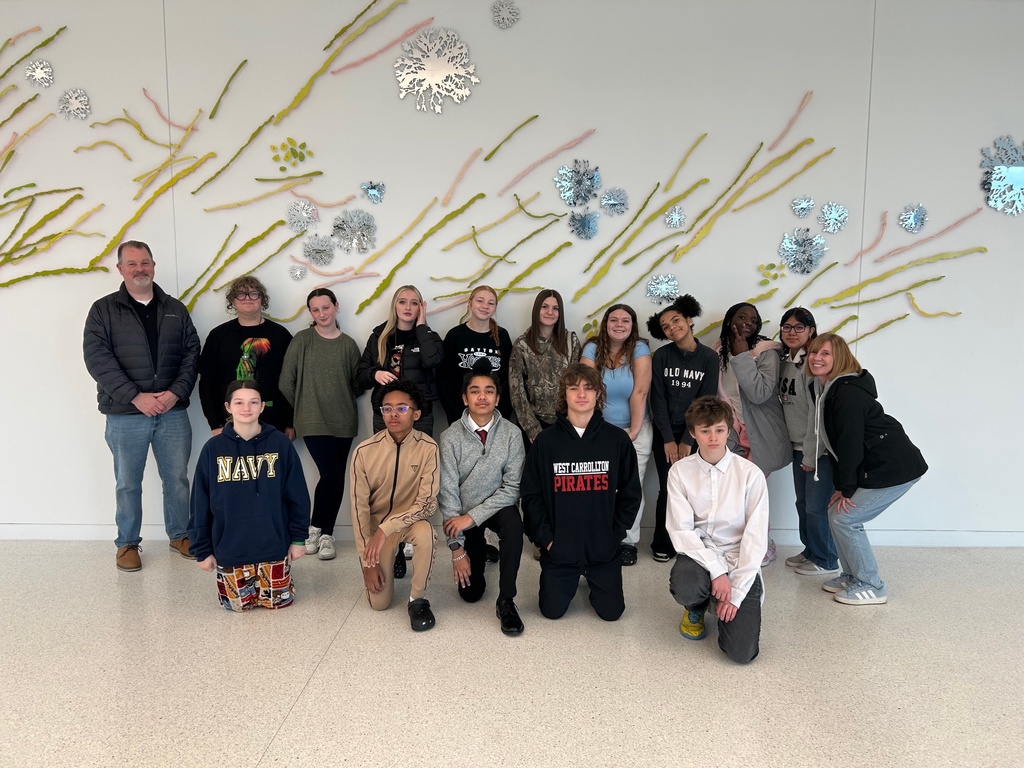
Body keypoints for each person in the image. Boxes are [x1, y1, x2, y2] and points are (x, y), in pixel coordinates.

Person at [83, 240, 200, 572]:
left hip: (172, 411)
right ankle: (127, 544)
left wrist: (175, 393)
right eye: (132, 263)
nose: (140, 269)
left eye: (145, 262)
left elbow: (192, 353)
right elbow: (97, 359)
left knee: (177, 477)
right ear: (120, 269)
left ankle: (180, 535)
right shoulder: (103, 310)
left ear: (154, 265)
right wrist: (135, 396)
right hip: (126, 413)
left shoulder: (175, 308)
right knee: (127, 481)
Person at [807, 333, 928, 605]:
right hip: (877, 465)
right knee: (835, 512)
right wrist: (842, 487)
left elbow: (850, 444)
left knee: (846, 518)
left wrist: (847, 489)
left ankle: (872, 585)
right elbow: (837, 445)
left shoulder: (846, 392)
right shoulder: (828, 389)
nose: (817, 358)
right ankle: (851, 575)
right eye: (814, 353)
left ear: (840, 358)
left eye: (825, 353)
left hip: (895, 467)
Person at [521, 364, 641, 621]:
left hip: (602, 548)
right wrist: (547, 539)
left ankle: (593, 577)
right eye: (573, 388)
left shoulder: (617, 440)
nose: (581, 394)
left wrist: (614, 535)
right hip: (560, 548)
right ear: (564, 395)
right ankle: (569, 575)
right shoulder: (546, 442)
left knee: (612, 614)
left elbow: (631, 493)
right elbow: (531, 495)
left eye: (588, 388)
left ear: (599, 394)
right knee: (551, 612)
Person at [187, 381, 310, 611]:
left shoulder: (280, 444)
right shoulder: (212, 449)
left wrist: (298, 538)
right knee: (238, 608)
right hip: (230, 550)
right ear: (228, 407)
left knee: (277, 605)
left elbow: (297, 494)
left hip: (273, 548)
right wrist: (202, 550)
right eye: (239, 402)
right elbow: (200, 503)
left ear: (262, 406)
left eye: (253, 402)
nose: (247, 408)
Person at [666, 396, 769, 664]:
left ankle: (723, 603)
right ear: (693, 433)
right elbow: (681, 531)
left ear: (729, 429)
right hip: (700, 554)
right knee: (686, 584)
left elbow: (755, 540)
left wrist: (734, 592)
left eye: (720, 430)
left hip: (740, 559)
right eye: (705, 430)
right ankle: (697, 606)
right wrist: (717, 572)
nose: (713, 437)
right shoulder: (679, 472)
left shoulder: (751, 474)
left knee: (742, 654)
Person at [439, 360, 526, 635]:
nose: (482, 397)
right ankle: (480, 549)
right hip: (464, 514)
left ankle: (507, 600)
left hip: (497, 508)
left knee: (513, 524)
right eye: (475, 391)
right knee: (471, 594)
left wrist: (472, 517)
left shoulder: (512, 434)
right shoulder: (450, 437)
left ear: (498, 398)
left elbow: (512, 489)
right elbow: (448, 495)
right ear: (465, 398)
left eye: (489, 391)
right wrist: (456, 549)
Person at [279, 288, 363, 562]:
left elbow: (356, 386)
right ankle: (314, 529)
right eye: (315, 310)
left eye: (325, 307)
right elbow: (285, 382)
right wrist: (304, 407)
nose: (321, 314)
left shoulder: (349, 344)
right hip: (312, 420)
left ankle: (326, 534)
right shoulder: (302, 340)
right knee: (330, 474)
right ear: (311, 313)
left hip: (344, 420)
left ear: (336, 307)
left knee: (337, 476)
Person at [349, 380, 440, 631]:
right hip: (377, 533)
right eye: (387, 409)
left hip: (408, 523)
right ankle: (394, 554)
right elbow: (359, 511)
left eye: (401, 408)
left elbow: (428, 504)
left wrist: (387, 528)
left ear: (416, 413)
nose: (393, 414)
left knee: (426, 532)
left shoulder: (428, 448)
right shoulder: (364, 452)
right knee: (379, 603)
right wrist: (368, 562)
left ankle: (417, 599)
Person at [714, 302, 791, 565]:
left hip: (762, 434)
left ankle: (762, 543)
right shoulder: (718, 353)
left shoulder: (766, 352)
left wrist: (742, 355)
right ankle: (738, 544)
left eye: (753, 319)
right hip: (732, 435)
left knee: (753, 493)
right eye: (741, 316)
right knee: (732, 493)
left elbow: (759, 394)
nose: (748, 322)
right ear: (729, 321)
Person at [646, 294, 720, 563]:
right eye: (665, 326)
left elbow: (706, 399)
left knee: (692, 490)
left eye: (675, 320)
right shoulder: (661, 356)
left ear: (689, 321)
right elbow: (658, 399)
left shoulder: (709, 358)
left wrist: (688, 439)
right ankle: (662, 542)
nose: (671, 327)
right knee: (668, 488)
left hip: (696, 434)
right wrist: (668, 438)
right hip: (664, 432)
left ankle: (689, 541)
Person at [581, 304, 652, 566]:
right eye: (614, 320)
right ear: (605, 323)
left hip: (636, 429)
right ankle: (599, 535)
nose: (619, 324)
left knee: (631, 487)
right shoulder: (591, 348)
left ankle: (627, 541)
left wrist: (632, 431)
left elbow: (640, 392)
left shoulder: (640, 349)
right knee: (598, 487)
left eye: (625, 320)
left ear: (633, 325)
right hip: (599, 430)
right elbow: (585, 389)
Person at [777, 308, 839, 576]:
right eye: (787, 327)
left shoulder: (812, 364)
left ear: (811, 331)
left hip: (817, 451)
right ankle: (811, 550)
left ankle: (826, 559)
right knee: (802, 504)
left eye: (799, 327)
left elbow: (818, 414)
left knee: (816, 506)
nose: (792, 332)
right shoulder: (785, 360)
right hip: (797, 446)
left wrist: (812, 454)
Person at [198, 276, 293, 437]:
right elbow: (207, 383)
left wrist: (290, 422)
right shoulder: (218, 336)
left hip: (274, 423)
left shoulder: (280, 335)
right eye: (241, 294)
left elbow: (293, 381)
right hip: (229, 423)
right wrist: (214, 423)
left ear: (262, 299)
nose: (247, 298)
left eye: (253, 294)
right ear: (233, 301)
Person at [357, 284, 443, 437]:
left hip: (419, 414)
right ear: (394, 306)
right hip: (385, 414)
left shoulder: (430, 337)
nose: (408, 307)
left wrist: (422, 327)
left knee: (419, 460)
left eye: (414, 303)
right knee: (385, 460)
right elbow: (361, 377)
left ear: (421, 308)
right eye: (402, 302)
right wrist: (375, 374)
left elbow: (432, 362)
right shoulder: (379, 337)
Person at [509, 288, 582, 446]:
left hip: (566, 422)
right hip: (534, 423)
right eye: (545, 307)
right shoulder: (522, 344)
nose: (550, 312)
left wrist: (572, 422)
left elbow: (577, 385)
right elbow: (517, 391)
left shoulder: (571, 341)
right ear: (536, 310)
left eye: (555, 308)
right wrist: (532, 429)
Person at [438, 285, 514, 425]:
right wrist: (456, 415)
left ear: (495, 308)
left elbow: (509, 379)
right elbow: (444, 380)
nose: (485, 306)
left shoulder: (502, 337)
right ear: (470, 303)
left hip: (494, 417)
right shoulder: (455, 335)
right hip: (460, 416)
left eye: (491, 303)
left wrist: (501, 415)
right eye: (480, 300)